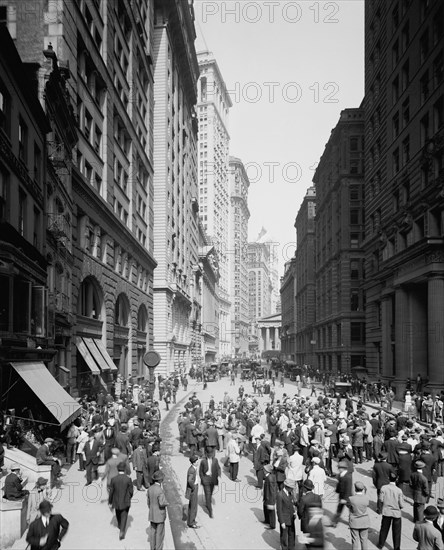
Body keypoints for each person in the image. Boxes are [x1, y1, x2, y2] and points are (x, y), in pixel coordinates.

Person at [377, 471, 403, 550]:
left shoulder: (384, 488)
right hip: (396, 513)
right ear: (396, 479)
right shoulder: (399, 490)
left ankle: (381, 544)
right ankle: (396, 547)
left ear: (389, 478)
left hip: (386, 511)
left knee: (384, 529)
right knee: (397, 532)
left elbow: (381, 499)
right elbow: (401, 504)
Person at [108, 461, 134, 540]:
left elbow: (111, 491)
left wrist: (110, 501)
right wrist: (129, 497)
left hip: (116, 501)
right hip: (125, 501)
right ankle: (122, 531)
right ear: (125, 469)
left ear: (117, 469)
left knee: (118, 513)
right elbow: (131, 491)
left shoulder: (113, 479)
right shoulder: (128, 479)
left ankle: (119, 525)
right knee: (124, 515)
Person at [147, 470, 169, 550]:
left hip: (152, 514)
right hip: (160, 515)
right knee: (159, 534)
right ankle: (158, 548)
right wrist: (167, 503)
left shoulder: (150, 488)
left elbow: (148, 502)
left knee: (153, 533)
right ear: (160, 480)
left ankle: (152, 548)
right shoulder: (160, 490)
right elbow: (161, 503)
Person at [199, 448, 221, 518]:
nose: (211, 455)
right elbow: (200, 472)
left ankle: (207, 503)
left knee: (210, 494)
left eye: (212, 453)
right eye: (209, 454)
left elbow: (218, 468)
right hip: (206, 479)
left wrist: (219, 474)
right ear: (206, 454)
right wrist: (203, 479)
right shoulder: (203, 461)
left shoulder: (215, 460)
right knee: (208, 495)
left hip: (213, 479)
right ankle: (210, 511)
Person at [348, 481, 370, 550]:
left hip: (354, 522)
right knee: (364, 540)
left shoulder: (351, 499)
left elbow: (349, 507)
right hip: (364, 522)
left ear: (355, 489)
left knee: (355, 540)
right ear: (363, 489)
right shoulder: (366, 498)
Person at [276, 477, 296, 550]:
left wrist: (294, 512)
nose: (292, 489)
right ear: (287, 487)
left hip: (291, 518)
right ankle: (284, 547)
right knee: (284, 536)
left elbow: (291, 504)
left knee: (291, 534)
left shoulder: (290, 493)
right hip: (284, 519)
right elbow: (279, 510)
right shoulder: (280, 495)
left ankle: (291, 548)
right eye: (291, 488)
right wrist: (282, 522)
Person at [332, 460, 353, 527]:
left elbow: (348, 488)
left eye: (339, 468)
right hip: (342, 496)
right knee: (339, 509)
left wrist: (345, 499)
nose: (338, 469)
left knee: (351, 511)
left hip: (348, 497)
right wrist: (337, 490)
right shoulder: (341, 475)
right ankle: (335, 522)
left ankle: (352, 523)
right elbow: (339, 484)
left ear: (343, 468)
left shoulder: (348, 477)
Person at [185, 455, 199, 529]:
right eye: (197, 461)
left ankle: (191, 521)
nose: (198, 462)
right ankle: (191, 522)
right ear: (193, 462)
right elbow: (190, 480)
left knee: (192, 505)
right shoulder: (192, 470)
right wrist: (193, 487)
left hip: (194, 487)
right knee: (193, 506)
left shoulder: (193, 468)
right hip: (193, 488)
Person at [262, 463, 277, 530]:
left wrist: (271, 498)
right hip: (268, 496)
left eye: (264, 469)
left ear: (267, 470)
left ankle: (272, 525)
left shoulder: (269, 478)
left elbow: (272, 489)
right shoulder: (271, 476)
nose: (263, 470)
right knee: (266, 508)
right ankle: (267, 520)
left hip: (269, 497)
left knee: (271, 511)